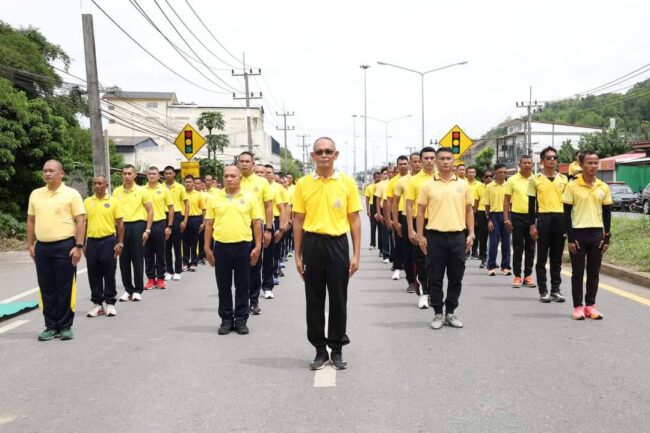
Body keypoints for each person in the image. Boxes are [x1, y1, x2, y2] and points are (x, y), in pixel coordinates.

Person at [293, 137, 361, 371]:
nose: (324, 155)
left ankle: (337, 348)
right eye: (319, 152)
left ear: (336, 154)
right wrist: (297, 255)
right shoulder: (302, 184)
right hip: (312, 244)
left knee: (339, 299)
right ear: (312, 156)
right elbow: (299, 220)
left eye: (328, 151)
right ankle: (320, 350)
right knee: (314, 300)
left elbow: (354, 220)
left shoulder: (347, 182)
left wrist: (356, 255)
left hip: (338, 245)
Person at [27, 160, 86, 341]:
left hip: (65, 246)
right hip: (43, 247)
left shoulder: (71, 194)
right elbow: (31, 221)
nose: (47, 174)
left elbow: (81, 220)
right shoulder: (36, 194)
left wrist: (78, 247)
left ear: (61, 173)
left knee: (65, 287)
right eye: (45, 171)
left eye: (51, 171)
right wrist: (30, 245)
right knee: (46, 287)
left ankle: (65, 325)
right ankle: (50, 326)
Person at [416, 147, 474, 329]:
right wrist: (420, 236)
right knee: (435, 276)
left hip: (458, 236)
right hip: (435, 236)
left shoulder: (463, 184)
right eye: (442, 159)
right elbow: (420, 211)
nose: (445, 162)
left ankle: (451, 312)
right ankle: (438, 314)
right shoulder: (428, 185)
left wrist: (471, 233)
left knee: (456, 276)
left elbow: (469, 210)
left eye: (449, 158)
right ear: (436, 161)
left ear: (454, 161)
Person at [204, 165, 262, 335]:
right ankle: (226, 320)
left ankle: (241, 320)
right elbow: (208, 224)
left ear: (240, 178)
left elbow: (256, 223)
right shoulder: (214, 198)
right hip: (221, 247)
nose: (229, 179)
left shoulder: (250, 198)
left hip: (243, 246)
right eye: (226, 176)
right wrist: (207, 248)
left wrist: (258, 246)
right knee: (223, 286)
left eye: (233, 176)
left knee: (243, 285)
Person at [562, 151, 612, 320]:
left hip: (596, 233)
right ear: (581, 165)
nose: (593, 166)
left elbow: (607, 214)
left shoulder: (603, 187)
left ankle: (590, 305)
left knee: (594, 272)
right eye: (589, 163)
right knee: (577, 272)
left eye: (596, 163)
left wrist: (606, 238)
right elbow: (566, 214)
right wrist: (570, 238)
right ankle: (578, 307)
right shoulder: (572, 186)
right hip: (578, 234)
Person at [528, 146, 568, 303]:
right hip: (543, 219)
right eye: (549, 158)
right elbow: (531, 205)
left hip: (560, 218)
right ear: (543, 161)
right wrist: (532, 225)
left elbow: (569, 204)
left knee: (556, 258)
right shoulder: (535, 179)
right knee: (542, 258)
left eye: (555, 157)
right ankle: (543, 290)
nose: (553, 160)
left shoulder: (564, 179)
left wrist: (569, 225)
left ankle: (555, 290)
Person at [237, 152, 273, 315]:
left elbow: (268, 206)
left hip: (256, 227)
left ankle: (253, 300)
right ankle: (241, 301)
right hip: (237, 228)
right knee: (239, 267)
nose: (244, 164)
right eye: (241, 161)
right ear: (238, 163)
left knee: (254, 265)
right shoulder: (233, 180)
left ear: (253, 163)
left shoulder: (262, 182)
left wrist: (269, 229)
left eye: (247, 161)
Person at [84, 175, 124, 318]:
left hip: (108, 241)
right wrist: (82, 244)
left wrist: (120, 243)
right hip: (92, 242)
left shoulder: (113, 202)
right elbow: (84, 224)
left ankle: (110, 302)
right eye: (94, 183)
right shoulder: (87, 202)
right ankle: (97, 304)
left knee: (109, 272)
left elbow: (120, 224)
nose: (97, 186)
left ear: (106, 185)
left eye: (100, 183)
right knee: (93, 274)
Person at [113, 165, 153, 302]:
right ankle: (127, 289)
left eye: (129, 173)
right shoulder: (116, 191)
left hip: (138, 225)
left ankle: (138, 289)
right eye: (124, 173)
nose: (127, 176)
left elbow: (150, 211)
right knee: (123, 259)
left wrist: (147, 230)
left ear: (135, 175)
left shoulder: (142, 191)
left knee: (137, 258)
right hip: (122, 226)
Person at [405, 147, 436, 309]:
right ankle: (424, 294)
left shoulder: (442, 178)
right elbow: (409, 206)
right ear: (421, 160)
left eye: (432, 158)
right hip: (421, 223)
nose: (429, 161)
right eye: (426, 158)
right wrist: (411, 229)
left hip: (439, 224)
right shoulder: (414, 181)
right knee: (422, 260)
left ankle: (435, 293)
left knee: (436, 262)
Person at [503, 156, 535, 288]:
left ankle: (528, 275)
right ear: (519, 164)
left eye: (529, 163)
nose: (527, 165)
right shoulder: (512, 180)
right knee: (518, 247)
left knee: (531, 247)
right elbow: (506, 200)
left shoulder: (536, 179)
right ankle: (517, 276)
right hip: (517, 216)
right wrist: (506, 219)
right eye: (524, 163)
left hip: (532, 217)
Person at [392, 152, 422, 292]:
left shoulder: (431, 178)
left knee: (425, 253)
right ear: (410, 163)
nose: (417, 164)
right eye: (414, 162)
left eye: (419, 161)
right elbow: (395, 202)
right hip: (407, 218)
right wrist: (396, 222)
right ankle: (411, 281)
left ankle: (425, 282)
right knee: (408, 252)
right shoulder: (403, 181)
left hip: (426, 218)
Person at [143, 167, 174, 291]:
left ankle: (160, 278)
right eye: (149, 174)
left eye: (154, 174)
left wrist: (169, 226)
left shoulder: (164, 190)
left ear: (158, 176)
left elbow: (171, 208)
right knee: (147, 253)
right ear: (147, 176)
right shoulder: (142, 190)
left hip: (160, 223)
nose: (151, 176)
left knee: (161, 252)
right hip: (145, 225)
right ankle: (151, 279)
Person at [261, 164, 288, 299]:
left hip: (273, 221)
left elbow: (284, 207)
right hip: (256, 222)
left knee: (272, 253)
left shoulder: (277, 189)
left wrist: (282, 226)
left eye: (269, 172)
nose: (267, 174)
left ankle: (270, 279)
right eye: (264, 172)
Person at [482, 163, 511, 276]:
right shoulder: (489, 187)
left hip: (507, 215)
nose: (502, 174)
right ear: (495, 173)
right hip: (494, 215)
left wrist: (510, 218)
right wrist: (489, 219)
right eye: (500, 172)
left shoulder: (509, 185)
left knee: (506, 242)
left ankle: (505, 267)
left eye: (504, 172)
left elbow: (511, 203)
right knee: (493, 243)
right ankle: (491, 266)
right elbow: (487, 205)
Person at [163, 166, 188, 281]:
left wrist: (185, 220)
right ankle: (169, 270)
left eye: (170, 173)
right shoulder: (161, 187)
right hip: (163, 215)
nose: (168, 175)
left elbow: (187, 204)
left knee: (177, 244)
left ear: (174, 174)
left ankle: (178, 270)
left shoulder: (180, 187)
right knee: (166, 245)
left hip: (177, 215)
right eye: (166, 173)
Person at [385, 156, 409, 281]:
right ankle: (397, 268)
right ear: (397, 165)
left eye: (405, 163)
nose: (403, 166)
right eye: (401, 164)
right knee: (399, 244)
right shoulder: (393, 181)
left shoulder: (413, 179)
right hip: (398, 214)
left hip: (412, 214)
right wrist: (390, 219)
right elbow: (389, 202)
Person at [182, 175, 205, 272]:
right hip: (183, 219)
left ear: (193, 183)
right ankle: (185, 262)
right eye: (186, 182)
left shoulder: (199, 194)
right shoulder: (181, 193)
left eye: (190, 182)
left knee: (194, 241)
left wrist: (203, 223)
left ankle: (194, 262)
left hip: (195, 219)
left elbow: (204, 210)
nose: (188, 183)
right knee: (185, 242)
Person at [473, 169, 492, 268]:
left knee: (494, 238)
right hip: (481, 213)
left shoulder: (497, 187)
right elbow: (476, 202)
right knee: (483, 237)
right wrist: (475, 217)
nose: (489, 178)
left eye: (490, 176)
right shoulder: (479, 187)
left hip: (494, 212)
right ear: (483, 178)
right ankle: (483, 259)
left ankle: (492, 260)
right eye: (486, 176)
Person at [466, 166, 484, 260]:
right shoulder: (462, 184)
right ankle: (466, 251)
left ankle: (474, 251)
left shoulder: (480, 184)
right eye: (469, 172)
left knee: (475, 231)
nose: (471, 174)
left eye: (473, 172)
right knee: (465, 231)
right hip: (464, 210)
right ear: (466, 173)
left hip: (476, 210)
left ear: (475, 173)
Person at [374, 168, 390, 263]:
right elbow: (378, 200)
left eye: (387, 173)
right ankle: (386, 255)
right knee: (385, 234)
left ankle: (395, 256)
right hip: (384, 211)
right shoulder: (380, 185)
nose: (386, 175)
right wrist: (379, 213)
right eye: (384, 173)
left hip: (393, 211)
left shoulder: (394, 183)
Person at [364, 172, 381, 250]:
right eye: (377, 177)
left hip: (381, 207)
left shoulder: (382, 186)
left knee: (381, 228)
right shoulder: (369, 187)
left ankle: (381, 246)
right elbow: (367, 199)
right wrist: (368, 210)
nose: (378, 179)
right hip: (372, 207)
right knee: (373, 226)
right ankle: (372, 243)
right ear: (374, 178)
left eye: (379, 177)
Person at [194, 177, 208, 264]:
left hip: (202, 218)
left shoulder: (205, 195)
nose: (196, 185)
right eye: (195, 183)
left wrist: (204, 222)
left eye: (198, 183)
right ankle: (193, 256)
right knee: (193, 239)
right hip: (193, 218)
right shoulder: (188, 194)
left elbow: (206, 209)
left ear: (202, 185)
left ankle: (202, 256)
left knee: (202, 239)